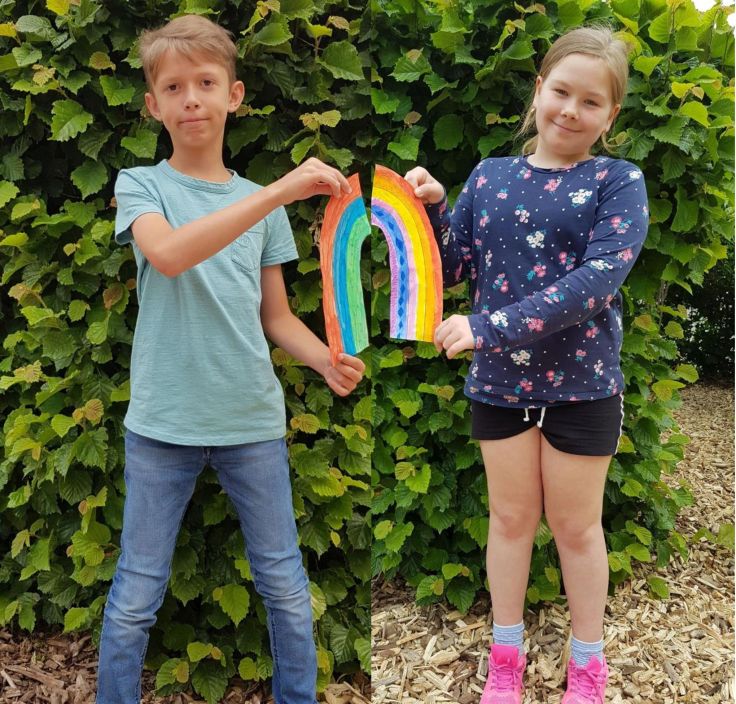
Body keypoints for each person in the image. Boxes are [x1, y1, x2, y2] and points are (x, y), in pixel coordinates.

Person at [96, 14, 365, 704]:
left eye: (206, 83)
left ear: (234, 95)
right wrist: (278, 191)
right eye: (173, 87)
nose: (191, 98)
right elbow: (168, 254)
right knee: (136, 594)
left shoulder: (260, 205)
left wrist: (325, 361)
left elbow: (275, 318)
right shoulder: (140, 184)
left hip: (251, 422)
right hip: (162, 424)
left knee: (285, 586)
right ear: (153, 106)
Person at [405, 25, 648, 704]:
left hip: (583, 388)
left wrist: (488, 328)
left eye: (591, 102)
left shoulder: (617, 181)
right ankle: (505, 659)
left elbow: (596, 283)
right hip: (500, 386)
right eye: (561, 92)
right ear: (539, 90)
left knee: (577, 530)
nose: (571, 110)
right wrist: (434, 210)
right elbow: (455, 267)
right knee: (510, 523)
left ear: (611, 116)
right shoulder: (490, 175)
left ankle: (588, 667)